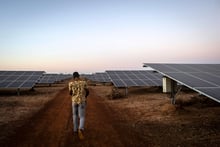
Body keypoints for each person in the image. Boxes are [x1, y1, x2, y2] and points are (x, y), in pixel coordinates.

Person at [68, 72, 89, 140]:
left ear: (73, 77)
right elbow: (88, 91)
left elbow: (70, 93)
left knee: (74, 115)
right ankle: (80, 128)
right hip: (82, 101)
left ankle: (75, 129)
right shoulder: (83, 83)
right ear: (79, 76)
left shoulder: (71, 83)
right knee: (82, 116)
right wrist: (84, 97)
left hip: (74, 101)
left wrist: (74, 95)